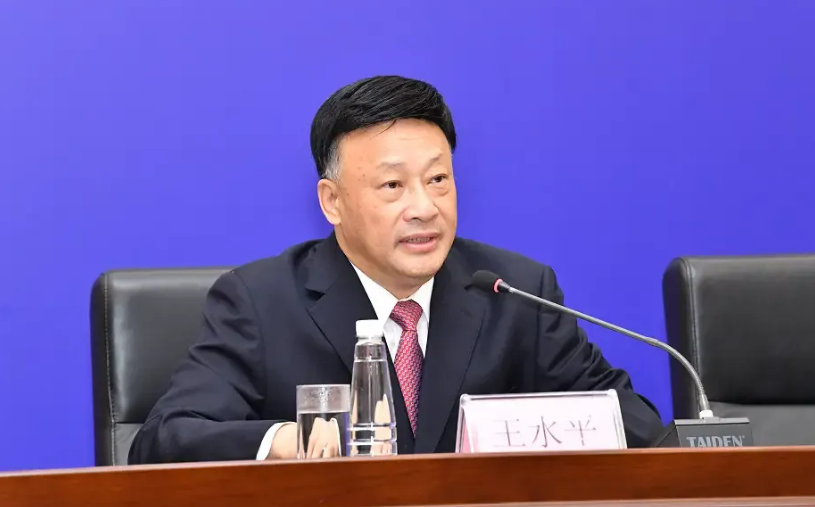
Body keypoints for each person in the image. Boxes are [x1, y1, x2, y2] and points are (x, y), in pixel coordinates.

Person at [128, 75, 664, 464]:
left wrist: (523, 434)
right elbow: (165, 439)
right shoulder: (261, 301)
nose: (424, 208)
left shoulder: (514, 292)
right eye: (392, 186)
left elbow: (637, 424)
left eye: (438, 180)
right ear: (332, 201)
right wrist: (288, 441)